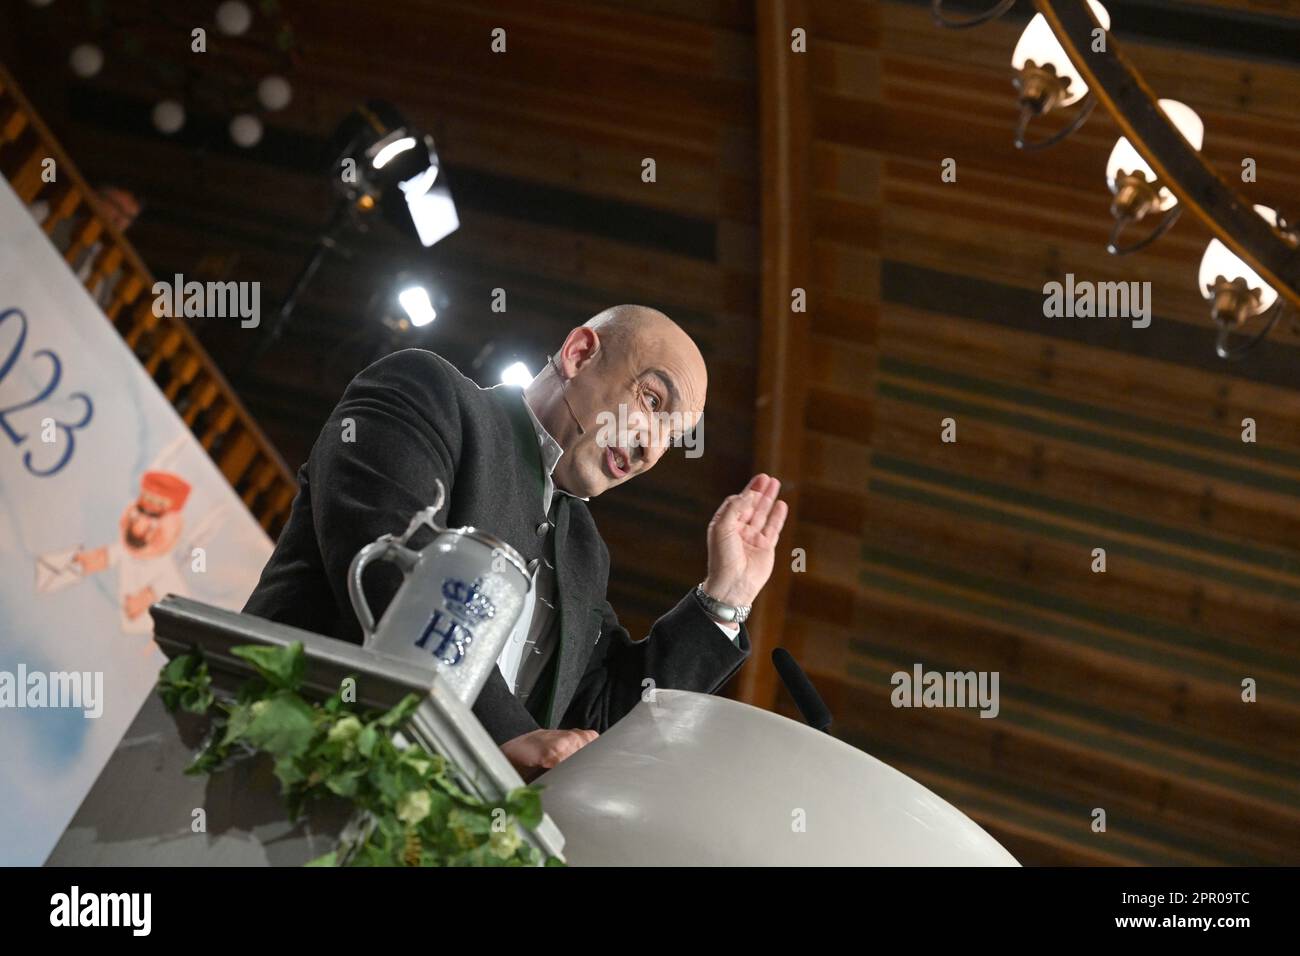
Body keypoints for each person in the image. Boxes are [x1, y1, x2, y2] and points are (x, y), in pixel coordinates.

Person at [242, 304, 788, 780]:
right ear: (579, 354)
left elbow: (605, 721)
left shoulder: (585, 554)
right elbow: (390, 574)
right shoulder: (428, 394)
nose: (651, 449)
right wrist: (501, 738)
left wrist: (724, 599)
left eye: (673, 436)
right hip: (271, 761)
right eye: (651, 400)